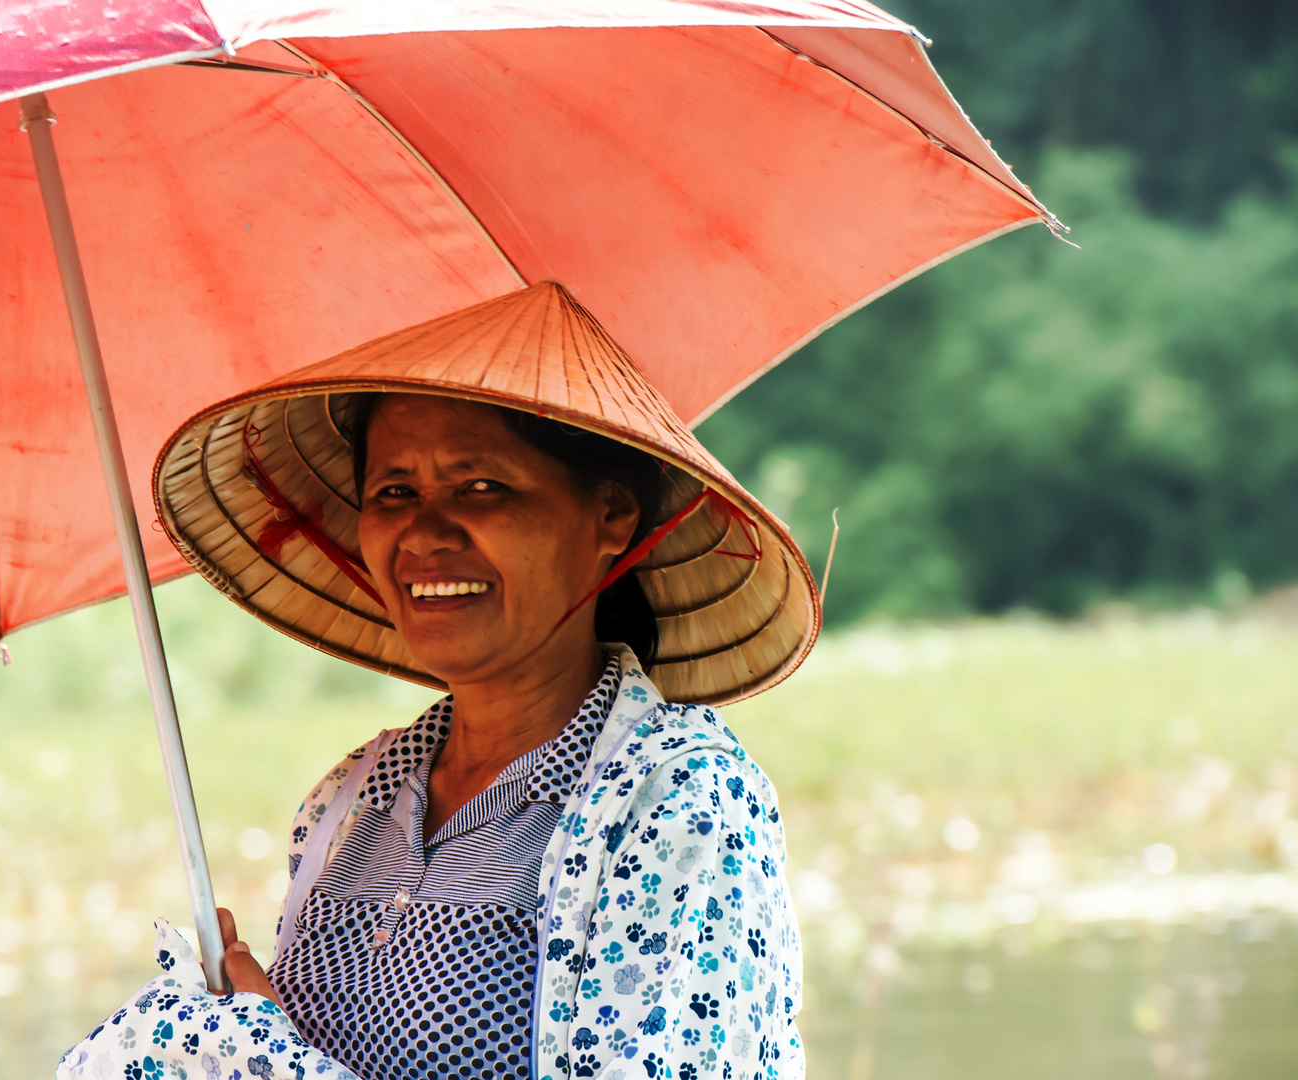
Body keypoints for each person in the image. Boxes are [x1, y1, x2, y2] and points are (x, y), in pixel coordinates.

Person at [57, 282, 820, 1080]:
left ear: (611, 519)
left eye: (480, 487)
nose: (423, 533)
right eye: (394, 493)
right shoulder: (347, 803)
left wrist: (268, 1061)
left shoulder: (680, 802)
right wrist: (241, 1034)